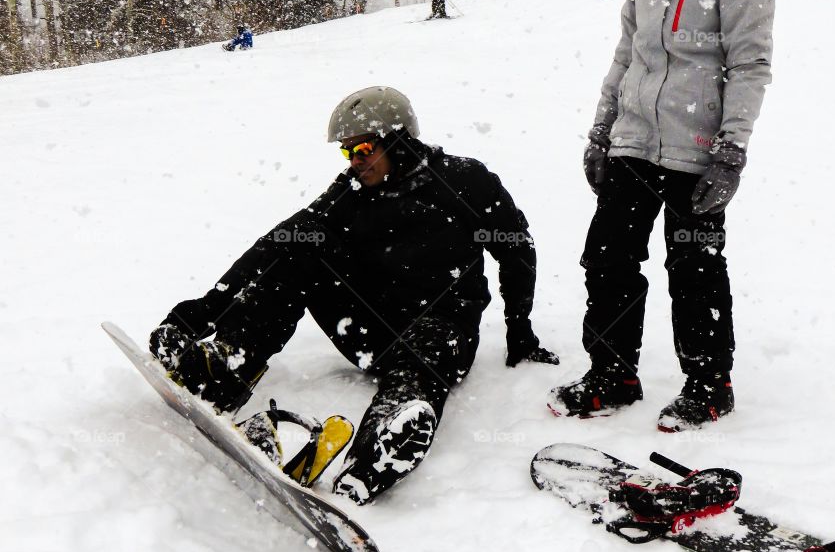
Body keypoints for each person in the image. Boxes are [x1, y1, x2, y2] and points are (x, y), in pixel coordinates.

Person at [150, 87, 557, 505]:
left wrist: (519, 328)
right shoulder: (351, 191)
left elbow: (516, 249)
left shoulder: (465, 180)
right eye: (348, 152)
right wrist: (206, 310)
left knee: (425, 351)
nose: (354, 162)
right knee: (299, 249)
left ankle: (381, 445)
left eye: (362, 149)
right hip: (371, 332)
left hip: (443, 333)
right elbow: (279, 242)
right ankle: (228, 365)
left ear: (398, 141)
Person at [549, 0, 777, 432]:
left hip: (697, 152)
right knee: (607, 257)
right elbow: (628, 53)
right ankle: (612, 373)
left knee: (694, 267)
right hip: (632, 142)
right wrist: (601, 131)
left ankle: (708, 384)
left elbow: (749, 66)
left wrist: (731, 152)